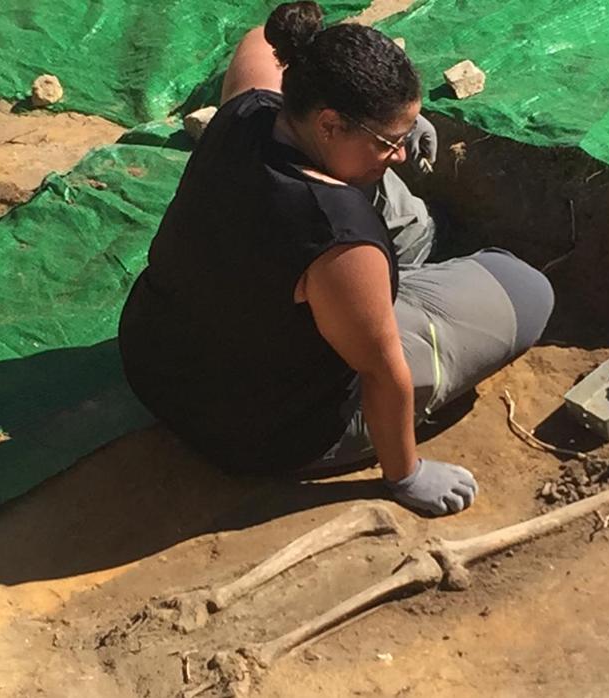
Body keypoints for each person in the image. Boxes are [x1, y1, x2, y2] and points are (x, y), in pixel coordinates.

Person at [118, 1, 554, 517]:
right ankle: (387, 310)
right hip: (264, 433)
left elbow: (259, 38)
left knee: (393, 204)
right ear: (328, 123)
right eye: (389, 141)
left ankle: (379, 291)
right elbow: (382, 371)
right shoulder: (339, 236)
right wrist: (406, 475)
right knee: (523, 288)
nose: (401, 154)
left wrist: (390, 114)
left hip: (158, 365)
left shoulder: (249, 110)